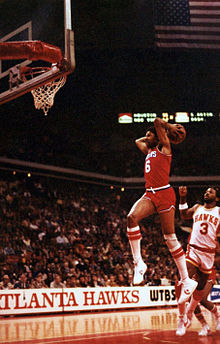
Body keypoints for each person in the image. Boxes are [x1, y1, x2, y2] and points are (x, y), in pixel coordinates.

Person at [127, 118, 197, 304]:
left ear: (157, 138)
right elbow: (137, 141)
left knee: (170, 237)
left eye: (149, 134)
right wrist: (150, 137)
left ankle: (186, 280)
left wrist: (167, 128)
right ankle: (138, 264)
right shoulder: (148, 151)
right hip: (150, 194)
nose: (146, 136)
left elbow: (157, 121)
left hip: (165, 193)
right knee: (131, 218)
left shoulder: (164, 148)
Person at [176, 186, 220, 336]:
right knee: (184, 282)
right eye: (206, 191)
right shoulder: (197, 207)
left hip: (208, 256)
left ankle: (214, 316)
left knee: (199, 294)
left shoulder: (219, 212)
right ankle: (184, 318)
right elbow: (182, 215)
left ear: (217, 198)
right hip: (194, 249)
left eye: (211, 192)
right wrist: (182, 198)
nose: (207, 192)